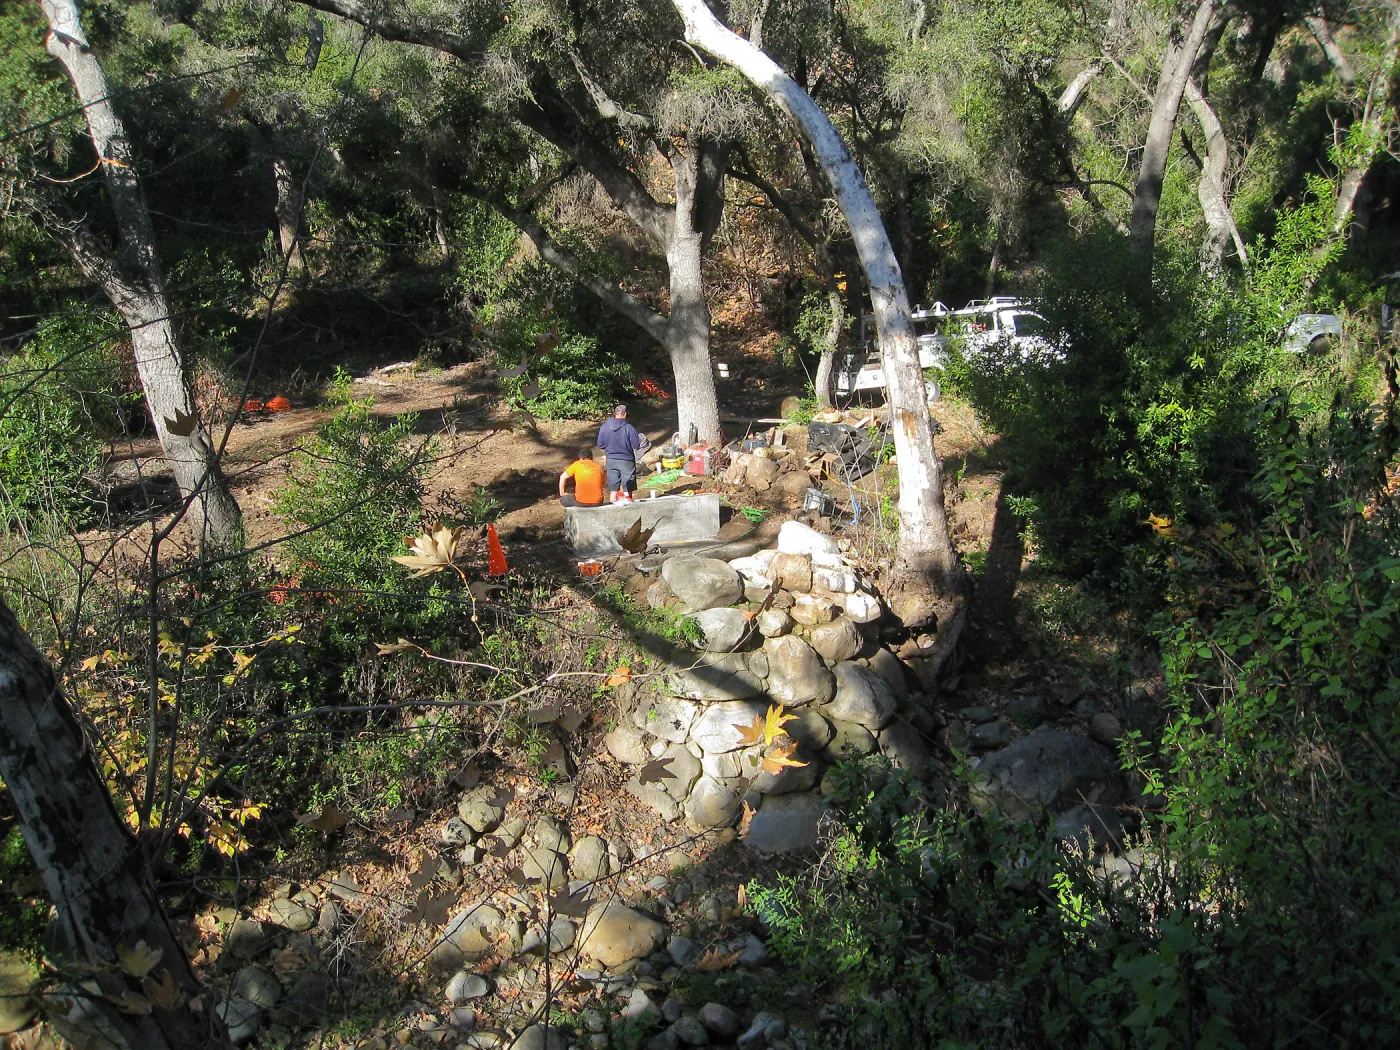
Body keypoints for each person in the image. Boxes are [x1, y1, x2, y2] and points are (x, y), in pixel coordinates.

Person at [596, 403, 649, 503]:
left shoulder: (604, 427)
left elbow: (600, 444)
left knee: (613, 487)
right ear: (624, 414)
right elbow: (636, 445)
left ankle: (612, 504)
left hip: (611, 460)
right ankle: (628, 505)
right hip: (626, 461)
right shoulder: (628, 427)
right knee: (627, 486)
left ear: (615, 414)